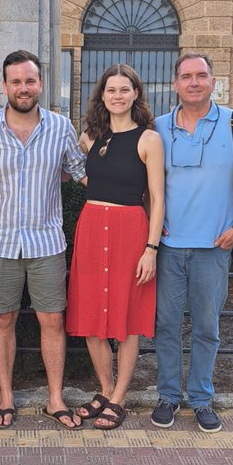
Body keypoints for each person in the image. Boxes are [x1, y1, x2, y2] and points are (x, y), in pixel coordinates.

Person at [0, 50, 86, 430]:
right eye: (15, 81)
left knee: (53, 319)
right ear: (4, 86)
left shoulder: (60, 127)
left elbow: (79, 173)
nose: (23, 88)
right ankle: (5, 397)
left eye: (30, 81)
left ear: (40, 84)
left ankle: (54, 399)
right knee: (3, 320)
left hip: (47, 242)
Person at [152, 53, 233, 434]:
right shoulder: (157, 129)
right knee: (166, 325)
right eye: (186, 76)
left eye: (201, 75)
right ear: (175, 84)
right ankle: (169, 395)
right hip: (168, 248)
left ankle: (201, 398)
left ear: (212, 81)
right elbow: (143, 185)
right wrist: (152, 230)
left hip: (215, 248)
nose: (194, 82)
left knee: (207, 327)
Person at [65, 65, 164, 430]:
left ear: (136, 93)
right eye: (111, 90)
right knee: (92, 318)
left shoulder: (149, 139)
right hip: (92, 229)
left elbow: (156, 196)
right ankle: (105, 389)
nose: (118, 96)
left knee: (127, 319)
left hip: (130, 231)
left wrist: (151, 248)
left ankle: (120, 396)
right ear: (102, 95)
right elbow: (81, 174)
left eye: (125, 89)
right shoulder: (89, 136)